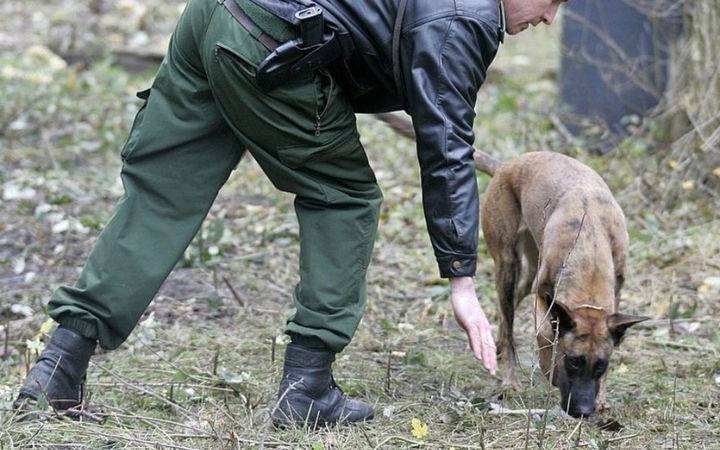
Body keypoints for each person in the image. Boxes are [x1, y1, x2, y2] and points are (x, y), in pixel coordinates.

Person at [13, 0, 565, 427]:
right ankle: (307, 389)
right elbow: (444, 143)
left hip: (216, 15)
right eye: (553, 0)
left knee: (161, 195)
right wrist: (461, 279)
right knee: (343, 197)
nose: (549, 17)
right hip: (272, 36)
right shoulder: (463, 18)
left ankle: (57, 369)